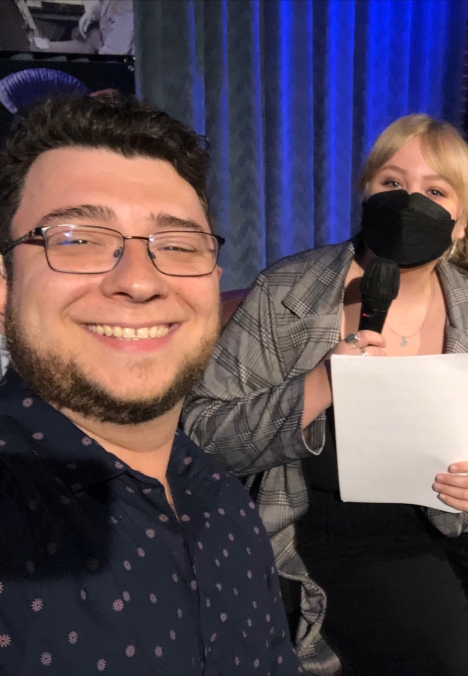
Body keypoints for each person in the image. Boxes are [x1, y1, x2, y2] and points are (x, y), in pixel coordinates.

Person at [182, 114, 468, 676]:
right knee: (457, 661)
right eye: (392, 184)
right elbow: (202, 432)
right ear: (365, 194)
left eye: (435, 191)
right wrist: (316, 387)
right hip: (340, 524)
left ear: (460, 223)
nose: (409, 201)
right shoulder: (287, 294)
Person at [0, 95, 300, 675]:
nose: (138, 281)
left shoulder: (224, 500)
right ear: (6, 289)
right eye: (77, 239)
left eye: (179, 245)